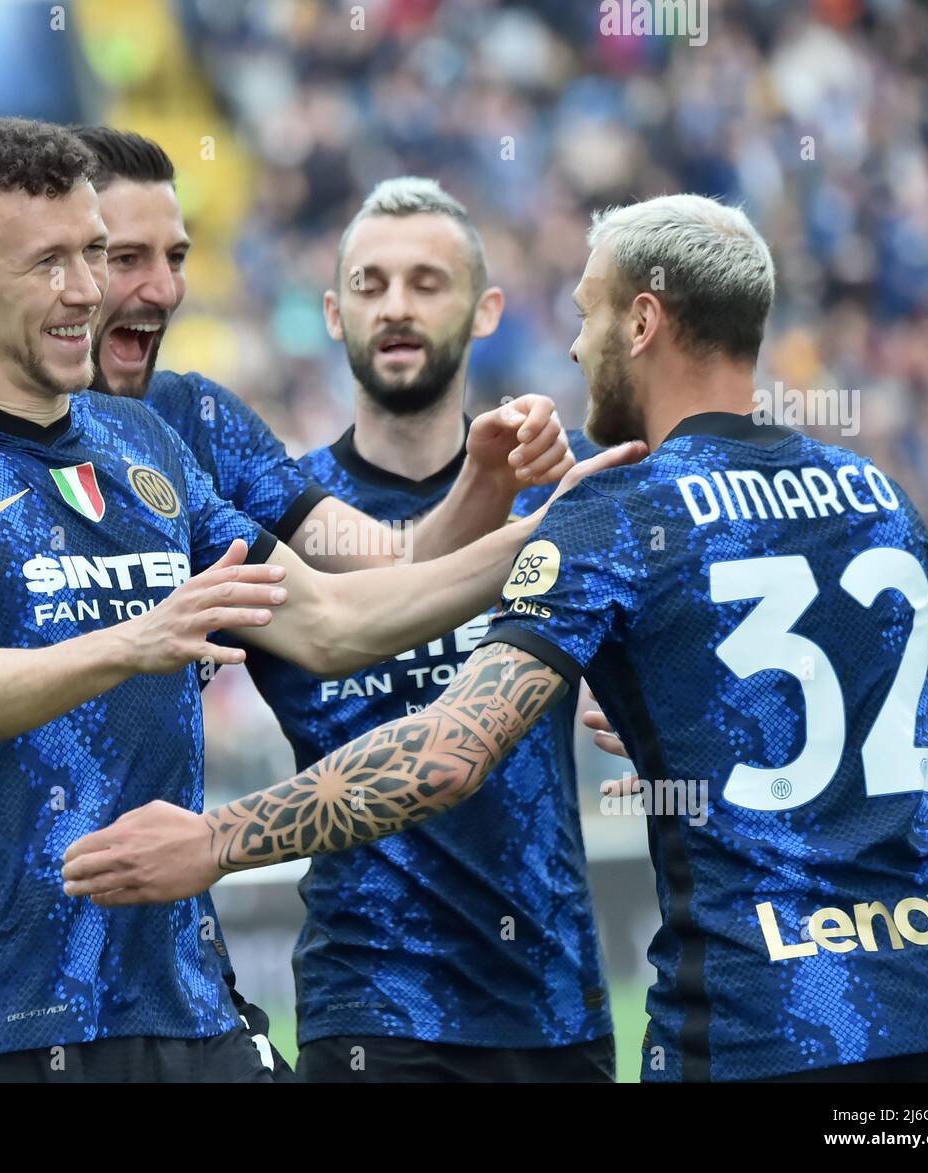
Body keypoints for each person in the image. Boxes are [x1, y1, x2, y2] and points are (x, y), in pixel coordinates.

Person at [64, 194, 928, 1084]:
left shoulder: (616, 511)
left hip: (768, 1018)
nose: (571, 342)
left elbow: (445, 755)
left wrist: (218, 838)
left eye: (587, 314)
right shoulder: (879, 496)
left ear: (641, 324)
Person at [0, 124, 574, 1081]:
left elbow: (336, 621)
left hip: (185, 1003)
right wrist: (136, 639)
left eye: (97, 253)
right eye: (53, 261)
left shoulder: (153, 439)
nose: (92, 289)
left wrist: (550, 536)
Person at [237, 177, 615, 1082]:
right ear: (332, 313)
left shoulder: (564, 499)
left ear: (486, 310)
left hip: (552, 1008)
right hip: (369, 1007)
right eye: (368, 285)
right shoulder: (275, 519)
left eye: (426, 282)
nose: (395, 306)